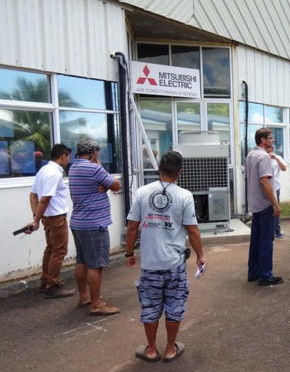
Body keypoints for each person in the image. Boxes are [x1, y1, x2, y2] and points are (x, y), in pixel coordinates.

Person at [125, 151, 206, 363]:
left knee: (150, 307)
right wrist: (200, 256)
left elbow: (132, 226)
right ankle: (170, 348)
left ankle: (151, 349)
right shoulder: (184, 196)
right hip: (174, 263)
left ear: (159, 169)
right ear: (180, 172)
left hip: (150, 264)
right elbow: (193, 230)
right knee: (174, 305)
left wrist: (129, 252)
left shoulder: (142, 192)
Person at [69, 138, 121, 315]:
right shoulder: (94, 168)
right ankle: (97, 304)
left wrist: (104, 186)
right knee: (95, 264)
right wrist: (104, 179)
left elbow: (102, 186)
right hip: (94, 223)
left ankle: (84, 296)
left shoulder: (73, 167)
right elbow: (116, 184)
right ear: (93, 151)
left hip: (78, 222)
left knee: (82, 260)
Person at [23, 144, 75, 298]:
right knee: (59, 251)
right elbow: (45, 199)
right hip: (56, 217)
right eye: (68, 157)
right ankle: (52, 285)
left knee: (51, 249)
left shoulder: (43, 171)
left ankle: (46, 280)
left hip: (47, 217)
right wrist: (36, 220)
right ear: (63, 156)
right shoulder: (54, 173)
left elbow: (33, 195)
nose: (68, 160)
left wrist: (36, 217)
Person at [246, 130, 283, 286]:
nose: (273, 140)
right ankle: (265, 275)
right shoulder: (264, 157)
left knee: (256, 240)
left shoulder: (250, 155)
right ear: (262, 140)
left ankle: (253, 272)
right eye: (270, 138)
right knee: (266, 240)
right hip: (265, 204)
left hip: (255, 204)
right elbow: (264, 182)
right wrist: (275, 203)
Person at [268, 146, 286, 239]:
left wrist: (275, 158)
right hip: (265, 187)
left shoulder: (277, 158)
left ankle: (277, 230)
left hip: (275, 187)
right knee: (266, 209)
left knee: (276, 208)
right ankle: (269, 231)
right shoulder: (263, 158)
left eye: (270, 150)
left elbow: (284, 168)